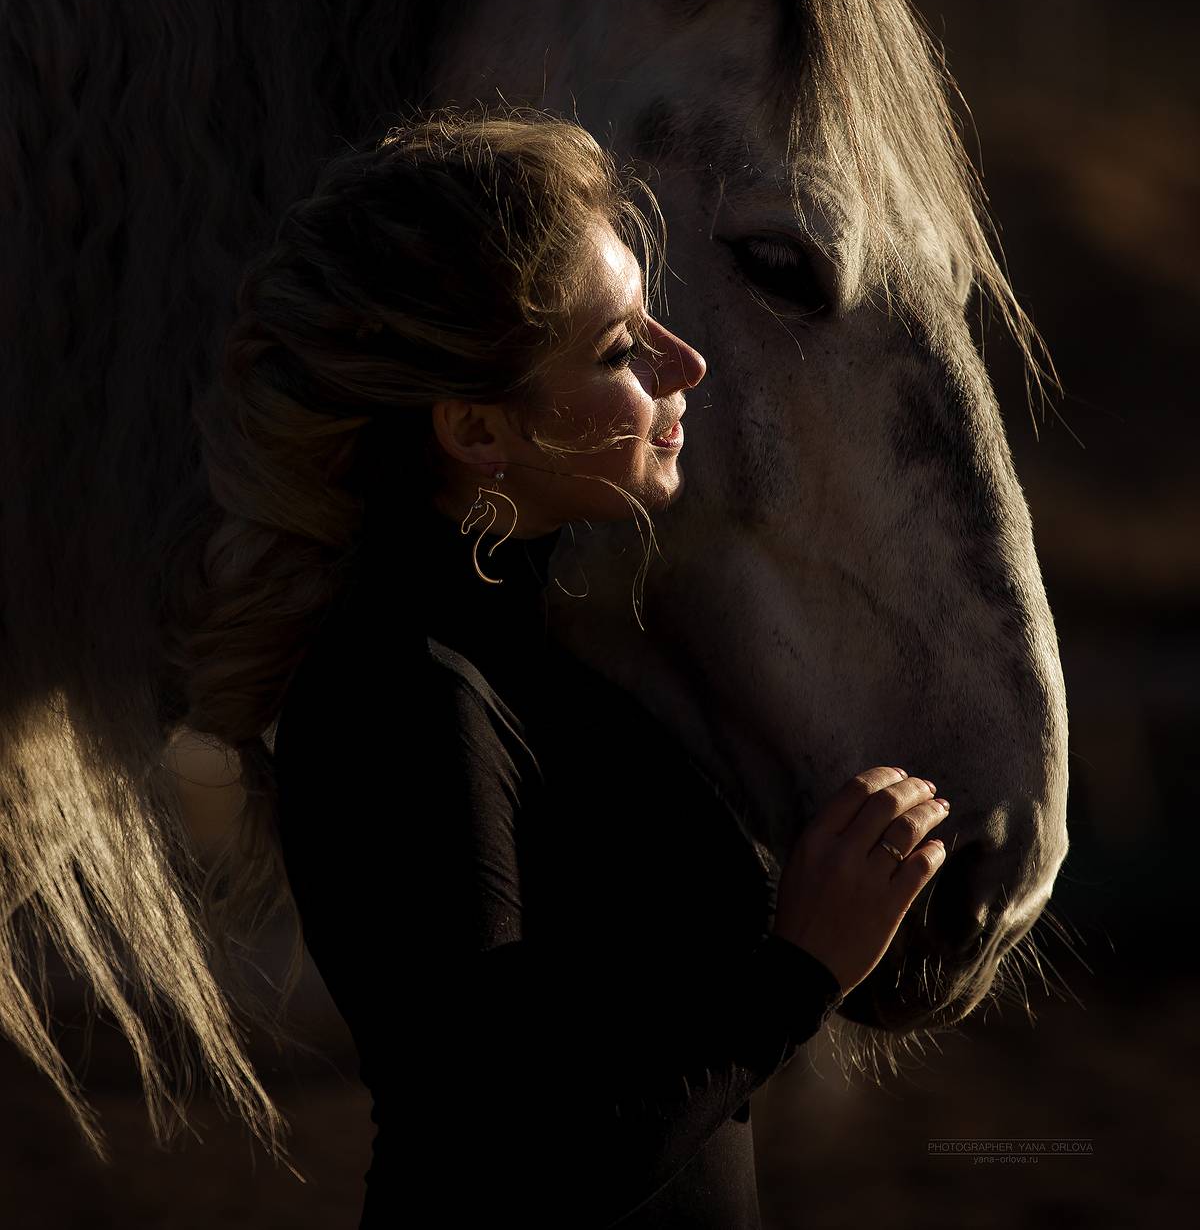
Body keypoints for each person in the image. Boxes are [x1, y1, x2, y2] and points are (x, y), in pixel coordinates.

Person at [175, 106, 950, 1226]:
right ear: (478, 433)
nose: (685, 363)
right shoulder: (405, 694)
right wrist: (802, 970)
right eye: (621, 350)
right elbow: (506, 1155)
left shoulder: (516, 649)